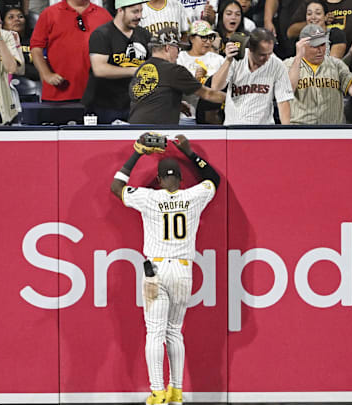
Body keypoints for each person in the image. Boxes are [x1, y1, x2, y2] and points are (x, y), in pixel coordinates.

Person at [110, 133, 219, 405]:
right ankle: (177, 391)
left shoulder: (149, 198)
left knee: (154, 333)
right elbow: (213, 180)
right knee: (174, 332)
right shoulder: (193, 196)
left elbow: (116, 186)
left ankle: (158, 391)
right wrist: (190, 153)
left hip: (155, 272)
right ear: (181, 180)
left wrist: (137, 153)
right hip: (183, 271)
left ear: (159, 181)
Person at [128, 26, 225, 123]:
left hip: (133, 128)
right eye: (178, 48)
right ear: (167, 48)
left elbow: (149, 97)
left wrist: (176, 103)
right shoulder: (174, 70)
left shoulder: (141, 69)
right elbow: (208, 94)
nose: (179, 53)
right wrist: (233, 99)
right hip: (159, 131)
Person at [81, 0, 150, 123]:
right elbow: (99, 69)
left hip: (134, 105)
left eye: (140, 11)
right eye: (134, 12)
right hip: (104, 106)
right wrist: (135, 71)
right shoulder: (102, 34)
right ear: (120, 10)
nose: (139, 16)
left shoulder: (144, 35)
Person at [30, 0, 111, 101]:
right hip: (58, 93)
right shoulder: (49, 13)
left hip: (97, 95)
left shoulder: (104, 15)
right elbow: (36, 48)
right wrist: (46, 74)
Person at [285, 24, 352, 124]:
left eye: (322, 45)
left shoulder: (336, 64)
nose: (320, 50)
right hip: (301, 129)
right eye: (314, 46)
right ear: (302, 46)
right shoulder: (289, 65)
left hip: (332, 130)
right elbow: (288, 91)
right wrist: (298, 58)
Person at [212, 27, 294, 124]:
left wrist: (285, 132)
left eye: (269, 53)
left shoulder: (277, 64)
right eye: (262, 55)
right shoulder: (235, 59)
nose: (267, 58)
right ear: (250, 49)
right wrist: (228, 61)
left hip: (263, 130)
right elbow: (216, 87)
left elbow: (283, 101)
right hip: (234, 128)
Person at [176, 20, 224, 123]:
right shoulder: (180, 58)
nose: (208, 41)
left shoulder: (219, 60)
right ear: (192, 38)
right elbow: (175, 91)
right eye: (203, 37)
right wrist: (194, 81)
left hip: (212, 116)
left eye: (210, 37)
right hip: (185, 117)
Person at [288, 0, 352, 47]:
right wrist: (316, 22)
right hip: (315, 60)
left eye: (318, 13)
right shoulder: (312, 3)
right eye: (309, 14)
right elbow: (291, 32)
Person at [3, 7, 39, 81]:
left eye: (20, 17)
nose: (17, 19)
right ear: (4, 25)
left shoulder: (35, 40)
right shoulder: (0, 43)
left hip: (35, 81)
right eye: (11, 17)